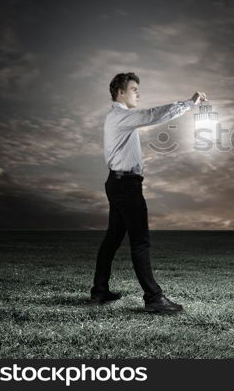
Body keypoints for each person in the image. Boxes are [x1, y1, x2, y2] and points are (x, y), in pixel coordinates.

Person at [90, 72, 206, 314]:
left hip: (118, 183)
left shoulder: (117, 117)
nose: (138, 94)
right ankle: (153, 297)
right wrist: (189, 103)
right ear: (120, 92)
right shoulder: (122, 116)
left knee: (112, 239)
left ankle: (100, 291)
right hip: (125, 185)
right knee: (140, 241)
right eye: (134, 89)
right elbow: (153, 115)